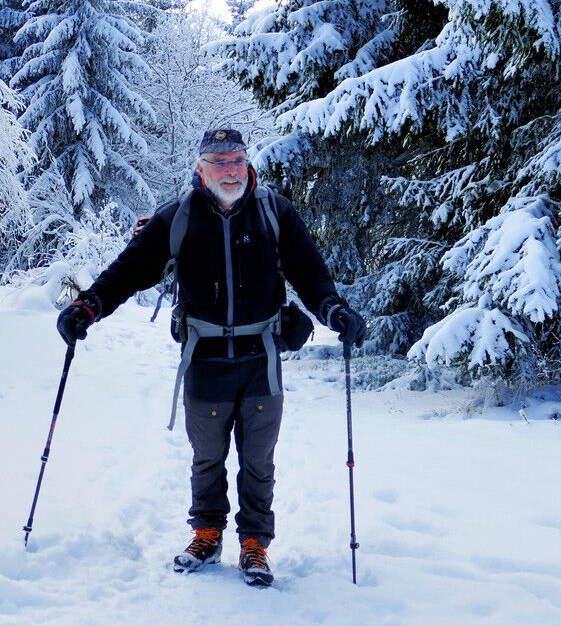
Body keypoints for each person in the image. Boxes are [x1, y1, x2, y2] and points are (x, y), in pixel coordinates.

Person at [56, 128, 367, 587]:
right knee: (208, 455)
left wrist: (334, 310)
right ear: (200, 167)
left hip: (260, 358)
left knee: (259, 458)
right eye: (219, 161)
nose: (231, 170)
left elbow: (310, 272)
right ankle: (206, 534)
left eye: (238, 160)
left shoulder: (274, 212)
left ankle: (254, 544)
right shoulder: (178, 217)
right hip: (203, 358)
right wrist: (90, 305)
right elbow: (129, 271)